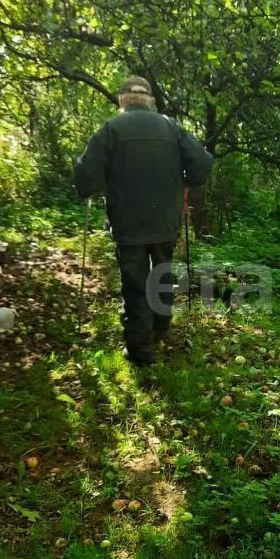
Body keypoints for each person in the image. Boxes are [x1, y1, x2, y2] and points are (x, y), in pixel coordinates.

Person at [74, 75, 214, 365]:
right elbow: (201, 165)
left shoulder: (111, 129)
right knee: (161, 272)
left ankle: (141, 351)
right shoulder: (170, 126)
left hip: (129, 221)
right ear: (149, 100)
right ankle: (160, 329)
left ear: (122, 100)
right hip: (165, 218)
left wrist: (96, 184)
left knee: (136, 284)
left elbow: (85, 177)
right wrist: (186, 183)